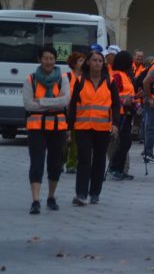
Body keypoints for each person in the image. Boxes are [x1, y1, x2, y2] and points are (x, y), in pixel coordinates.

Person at [69, 50, 120, 206]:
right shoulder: (80, 81)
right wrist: (69, 128)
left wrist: (115, 124)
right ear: (88, 63)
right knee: (84, 159)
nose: (98, 63)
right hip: (83, 127)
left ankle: (95, 192)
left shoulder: (110, 82)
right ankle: (81, 193)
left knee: (99, 160)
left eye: (100, 60)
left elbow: (116, 105)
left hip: (102, 127)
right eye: (95, 60)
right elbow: (72, 106)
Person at [24, 46, 71, 214]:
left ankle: (51, 196)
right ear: (39, 60)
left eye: (51, 58)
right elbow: (28, 104)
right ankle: (35, 200)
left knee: (55, 163)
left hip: (58, 127)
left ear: (55, 59)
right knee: (36, 163)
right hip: (36, 128)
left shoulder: (63, 78)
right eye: (45, 58)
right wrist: (53, 102)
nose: (48, 61)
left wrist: (41, 101)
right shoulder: (31, 79)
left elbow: (65, 101)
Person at [107, 50, 136, 181]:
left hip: (126, 112)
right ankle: (115, 167)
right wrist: (125, 101)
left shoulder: (124, 75)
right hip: (120, 114)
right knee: (123, 142)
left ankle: (119, 168)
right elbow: (111, 95)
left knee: (126, 142)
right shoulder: (118, 76)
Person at [63, 51, 85, 174]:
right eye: (80, 61)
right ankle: (60, 161)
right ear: (74, 63)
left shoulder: (86, 78)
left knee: (76, 141)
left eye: (84, 61)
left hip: (80, 113)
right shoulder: (67, 77)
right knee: (65, 140)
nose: (83, 63)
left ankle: (71, 164)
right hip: (66, 112)